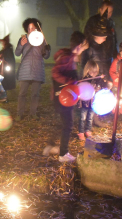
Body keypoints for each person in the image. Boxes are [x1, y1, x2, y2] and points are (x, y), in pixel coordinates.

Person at [44, 31, 87, 163]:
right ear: (80, 45)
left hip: (65, 96)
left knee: (63, 123)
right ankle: (63, 154)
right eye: (85, 45)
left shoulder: (70, 57)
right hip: (63, 97)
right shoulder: (67, 57)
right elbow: (55, 72)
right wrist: (69, 80)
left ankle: (50, 146)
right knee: (68, 124)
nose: (85, 48)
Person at [81, 10, 113, 127]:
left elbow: (105, 62)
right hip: (91, 77)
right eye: (103, 37)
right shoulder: (89, 47)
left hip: (101, 76)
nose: (105, 39)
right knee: (90, 99)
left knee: (98, 97)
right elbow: (84, 64)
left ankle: (95, 119)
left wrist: (107, 77)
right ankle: (86, 121)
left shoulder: (103, 46)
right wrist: (84, 78)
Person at [15, 18, 51, 121]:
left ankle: (33, 113)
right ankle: (19, 113)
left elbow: (46, 56)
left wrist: (47, 49)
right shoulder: (23, 39)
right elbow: (17, 53)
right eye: (29, 28)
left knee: (35, 94)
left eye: (33, 28)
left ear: (37, 29)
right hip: (25, 71)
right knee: (22, 94)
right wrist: (21, 45)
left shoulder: (41, 39)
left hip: (37, 70)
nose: (31, 29)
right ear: (27, 29)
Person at [78, 60, 108, 140]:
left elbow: (103, 87)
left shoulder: (99, 80)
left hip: (93, 102)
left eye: (95, 72)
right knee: (82, 118)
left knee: (90, 117)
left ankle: (88, 130)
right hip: (84, 102)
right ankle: (81, 132)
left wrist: (104, 81)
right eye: (91, 71)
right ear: (87, 70)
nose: (94, 73)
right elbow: (80, 88)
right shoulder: (84, 79)